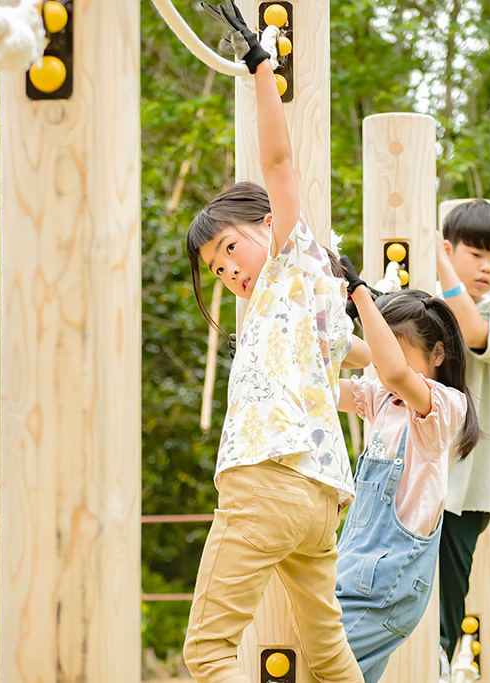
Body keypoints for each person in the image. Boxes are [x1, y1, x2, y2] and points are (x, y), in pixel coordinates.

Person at [180, 3, 372, 682]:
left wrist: (262, 65)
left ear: (266, 223)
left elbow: (281, 158)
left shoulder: (290, 256)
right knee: (327, 655)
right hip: (319, 505)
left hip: (267, 485)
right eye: (216, 268)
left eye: (230, 248)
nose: (228, 269)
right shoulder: (307, 296)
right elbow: (360, 353)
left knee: (206, 653)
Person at [335, 258, 479, 683]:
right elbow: (319, 391)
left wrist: (360, 294)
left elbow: (396, 372)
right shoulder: (384, 399)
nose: (383, 364)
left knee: (318, 668)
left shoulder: (444, 407)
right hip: (354, 573)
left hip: (389, 584)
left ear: (438, 354)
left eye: (397, 348)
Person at [434, 199, 490, 663]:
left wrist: (438, 264)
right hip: (413, 484)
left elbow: (470, 330)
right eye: (477, 255)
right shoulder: (423, 301)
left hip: (463, 495)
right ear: (450, 249)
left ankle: (442, 671)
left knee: (445, 617)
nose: (488, 268)